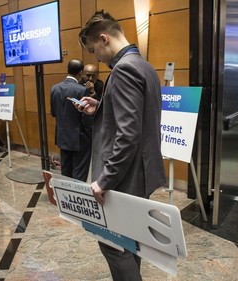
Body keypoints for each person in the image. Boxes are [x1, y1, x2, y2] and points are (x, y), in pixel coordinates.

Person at [77, 10, 166, 280]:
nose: (96, 57)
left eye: (94, 50)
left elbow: (128, 135)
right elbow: (135, 121)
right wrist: (101, 106)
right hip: (141, 172)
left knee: (113, 244)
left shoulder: (124, 69)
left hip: (126, 175)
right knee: (131, 241)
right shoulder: (144, 66)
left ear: (104, 39)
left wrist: (104, 180)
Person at [50, 59, 92, 182]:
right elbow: (86, 116)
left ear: (67, 70)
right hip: (79, 139)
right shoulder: (82, 90)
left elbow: (53, 113)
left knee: (66, 172)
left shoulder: (54, 88)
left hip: (62, 137)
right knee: (79, 174)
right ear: (80, 73)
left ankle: (66, 198)